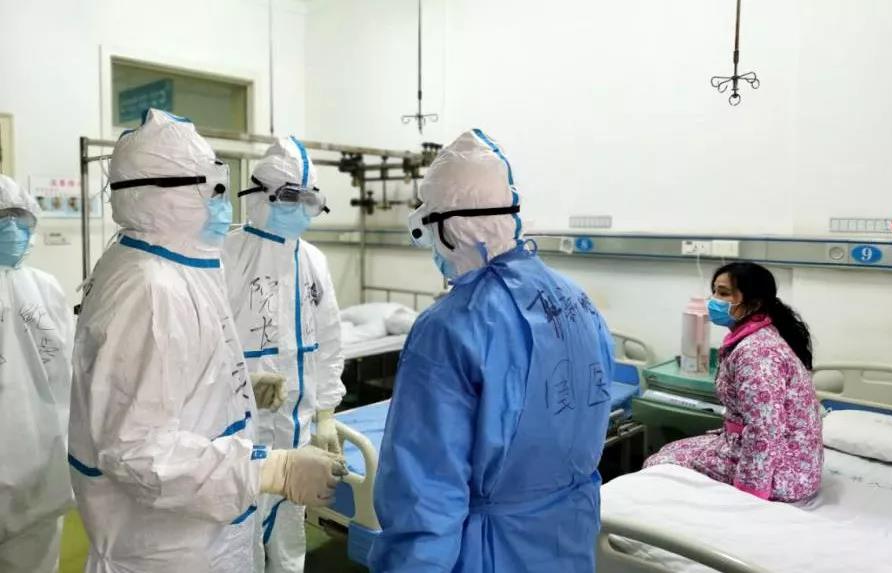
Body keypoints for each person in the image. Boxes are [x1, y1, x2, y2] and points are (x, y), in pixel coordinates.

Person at [68, 109, 346, 573]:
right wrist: (270, 469)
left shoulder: (171, 265)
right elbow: (138, 451)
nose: (224, 203)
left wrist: (237, 387)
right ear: (166, 197)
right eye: (212, 190)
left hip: (200, 521)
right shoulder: (151, 289)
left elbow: (165, 382)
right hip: (168, 546)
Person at [368, 129, 615, 572]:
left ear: (448, 229)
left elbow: (426, 493)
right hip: (570, 533)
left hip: (492, 548)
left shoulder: (449, 327)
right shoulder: (575, 300)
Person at [222, 136, 345, 573]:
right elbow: (204, 344)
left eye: (308, 201)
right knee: (239, 538)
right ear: (261, 195)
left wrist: (326, 413)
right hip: (239, 434)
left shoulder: (313, 260)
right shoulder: (225, 254)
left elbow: (329, 340)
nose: (300, 211)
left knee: (290, 540)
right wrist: (238, 386)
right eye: (290, 198)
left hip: (298, 430)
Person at [645, 262, 822, 502]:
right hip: (788, 458)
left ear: (754, 303)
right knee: (671, 450)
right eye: (714, 291)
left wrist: (749, 496)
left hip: (783, 473)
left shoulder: (756, 353)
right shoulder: (757, 334)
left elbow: (764, 428)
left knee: (659, 463)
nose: (713, 300)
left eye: (724, 293)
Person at [0, 175, 74, 573]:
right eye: (2, 218)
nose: (12, 229)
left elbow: (68, 366)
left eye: (20, 217)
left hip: (42, 457)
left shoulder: (46, 287)